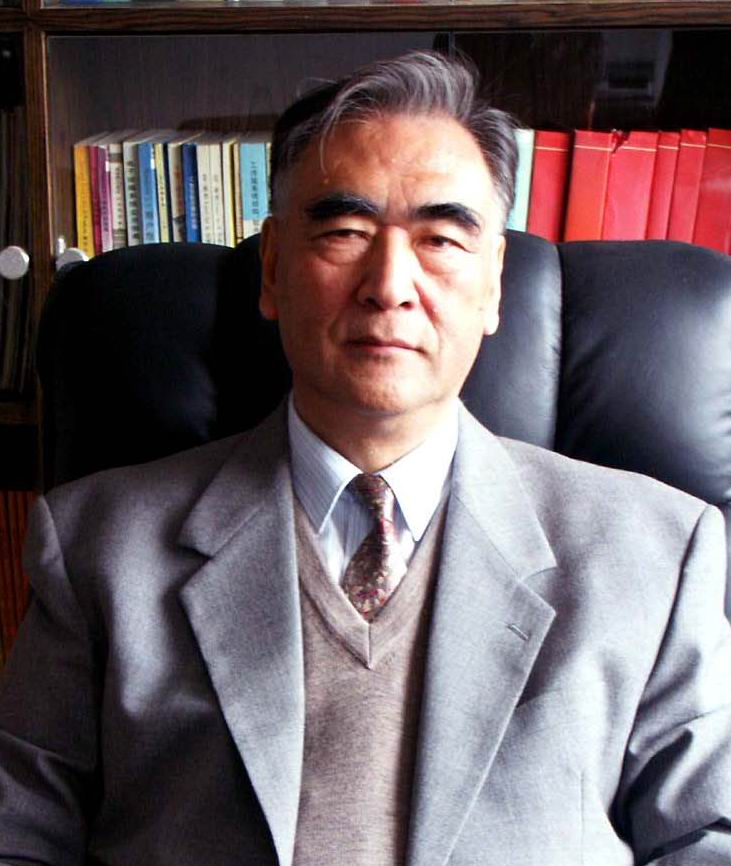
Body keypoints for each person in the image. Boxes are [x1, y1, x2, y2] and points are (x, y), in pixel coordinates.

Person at [2, 50, 731, 866]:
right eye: (345, 232)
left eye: (440, 238)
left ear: (493, 284)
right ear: (272, 268)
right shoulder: (99, 546)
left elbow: (707, 840)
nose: (389, 284)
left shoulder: (655, 551)